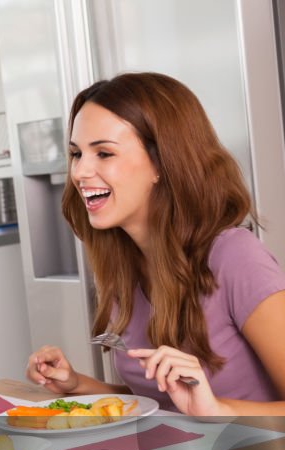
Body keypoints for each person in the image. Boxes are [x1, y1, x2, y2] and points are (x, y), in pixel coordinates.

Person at [26, 72, 285, 416]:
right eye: (76, 154)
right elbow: (167, 402)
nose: (79, 172)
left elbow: (206, 407)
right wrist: (79, 386)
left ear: (161, 162)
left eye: (104, 153)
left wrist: (218, 410)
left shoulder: (235, 257)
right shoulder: (125, 262)